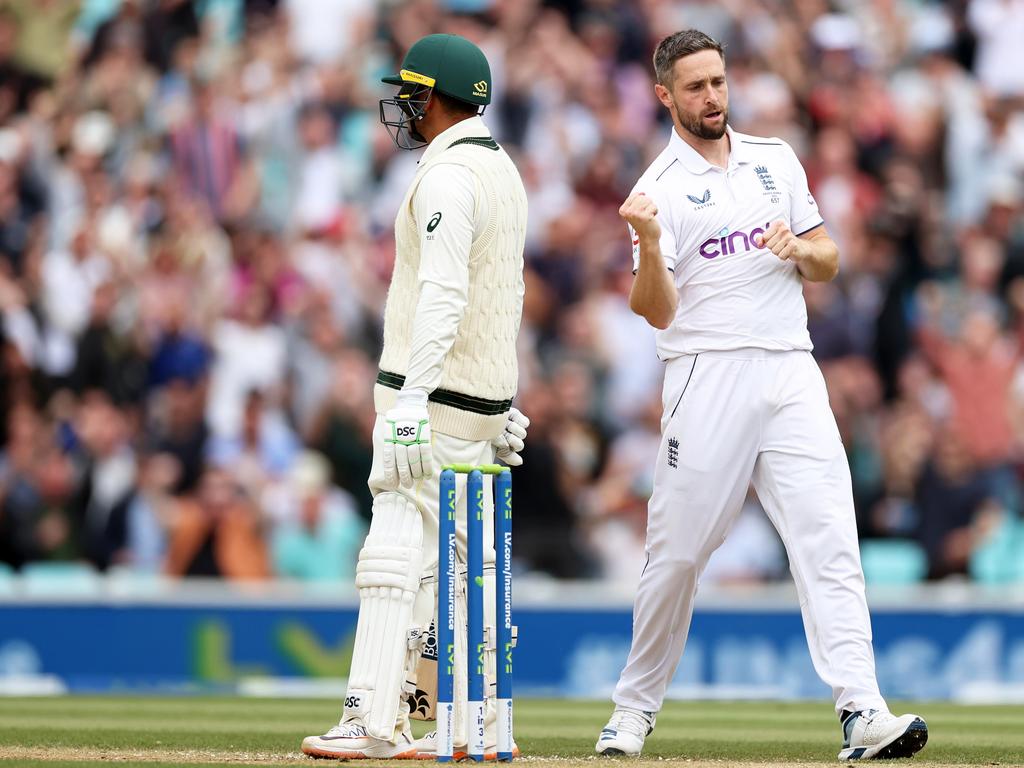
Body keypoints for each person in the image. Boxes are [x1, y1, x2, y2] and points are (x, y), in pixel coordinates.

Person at [594, 30, 929, 762]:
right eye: (695, 87)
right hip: (706, 375)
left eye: (717, 82)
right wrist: (649, 242)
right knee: (678, 555)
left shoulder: (775, 160)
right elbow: (654, 309)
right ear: (664, 96)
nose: (711, 97)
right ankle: (631, 712)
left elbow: (829, 259)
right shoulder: (659, 189)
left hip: (789, 368)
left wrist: (800, 250)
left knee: (830, 536)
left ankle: (862, 711)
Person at [300, 33, 530, 760]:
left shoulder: (448, 176)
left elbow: (445, 294)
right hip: (478, 404)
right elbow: (505, 298)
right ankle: (456, 724)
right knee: (453, 573)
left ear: (434, 98)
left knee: (395, 554)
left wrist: (411, 401)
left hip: (428, 402)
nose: (403, 106)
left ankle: (371, 721)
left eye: (411, 93)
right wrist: (502, 401)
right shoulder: (505, 172)